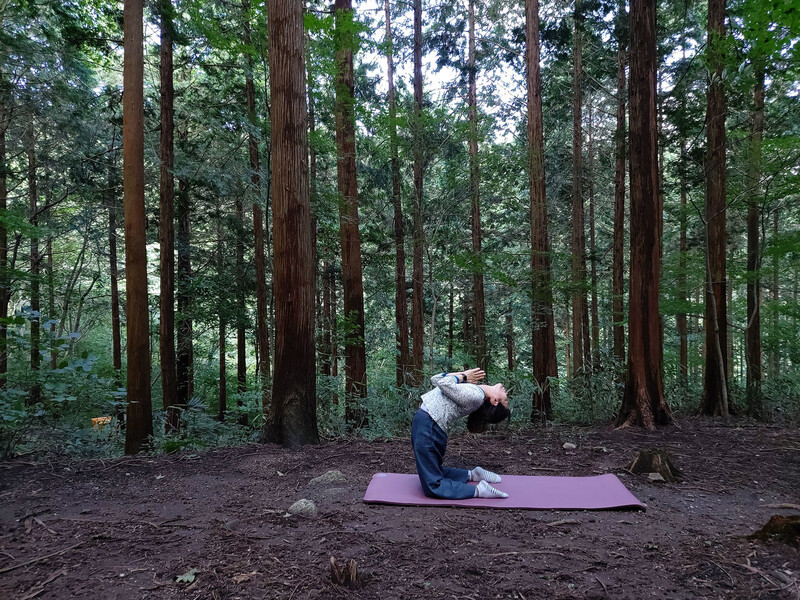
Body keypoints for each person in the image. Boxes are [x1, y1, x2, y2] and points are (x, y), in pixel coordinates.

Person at [411, 368, 511, 500]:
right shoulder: (474, 390)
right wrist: (464, 376)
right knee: (434, 469)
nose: (506, 393)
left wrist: (463, 376)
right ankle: (471, 475)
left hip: (428, 426)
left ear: (495, 401)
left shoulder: (475, 395)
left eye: (506, 400)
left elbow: (444, 384)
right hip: (429, 425)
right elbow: (436, 379)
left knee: (433, 485)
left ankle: (478, 490)